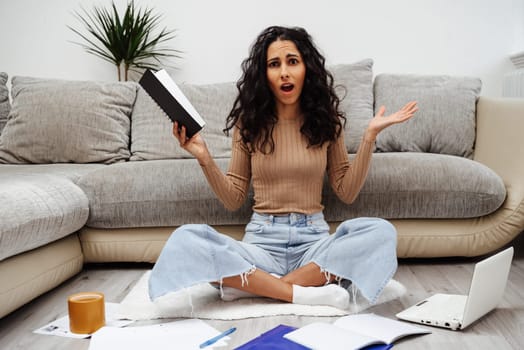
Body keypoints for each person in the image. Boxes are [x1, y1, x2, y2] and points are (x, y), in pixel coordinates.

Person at [149, 26, 418, 309]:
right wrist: (204, 157)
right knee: (187, 239)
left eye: (293, 62)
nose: (284, 72)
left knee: (381, 232)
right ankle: (300, 291)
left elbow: (347, 192)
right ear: (264, 75)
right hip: (262, 244)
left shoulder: (328, 122)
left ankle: (259, 286)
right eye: (274, 64)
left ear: (307, 69)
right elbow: (233, 198)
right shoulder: (248, 124)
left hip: (313, 245)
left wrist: (369, 137)